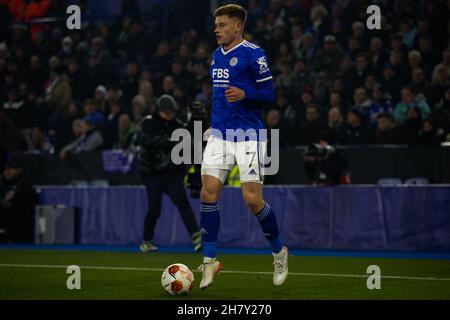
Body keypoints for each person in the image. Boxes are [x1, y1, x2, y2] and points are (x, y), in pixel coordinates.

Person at [198, 4, 288, 290]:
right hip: (221, 134)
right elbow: (219, 98)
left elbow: (270, 94)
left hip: (249, 135)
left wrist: (246, 93)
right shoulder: (215, 56)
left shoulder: (254, 54)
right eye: (216, 25)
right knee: (208, 192)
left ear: (237, 26)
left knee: (252, 199)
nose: (217, 29)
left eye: (222, 24)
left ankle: (279, 252)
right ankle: (210, 261)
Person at [137, 94, 202, 253]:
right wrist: (172, 142)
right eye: (167, 112)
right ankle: (146, 240)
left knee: (182, 202)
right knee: (154, 208)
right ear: (159, 111)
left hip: (171, 173)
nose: (170, 114)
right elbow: (147, 141)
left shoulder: (178, 125)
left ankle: (196, 236)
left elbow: (186, 148)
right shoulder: (148, 122)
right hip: (152, 173)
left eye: (172, 112)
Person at [0, 156, 36, 243]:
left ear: (19, 170)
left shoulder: (24, 185)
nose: (7, 171)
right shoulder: (3, 184)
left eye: (11, 169)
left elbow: (24, 210)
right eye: (6, 168)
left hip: (17, 232)